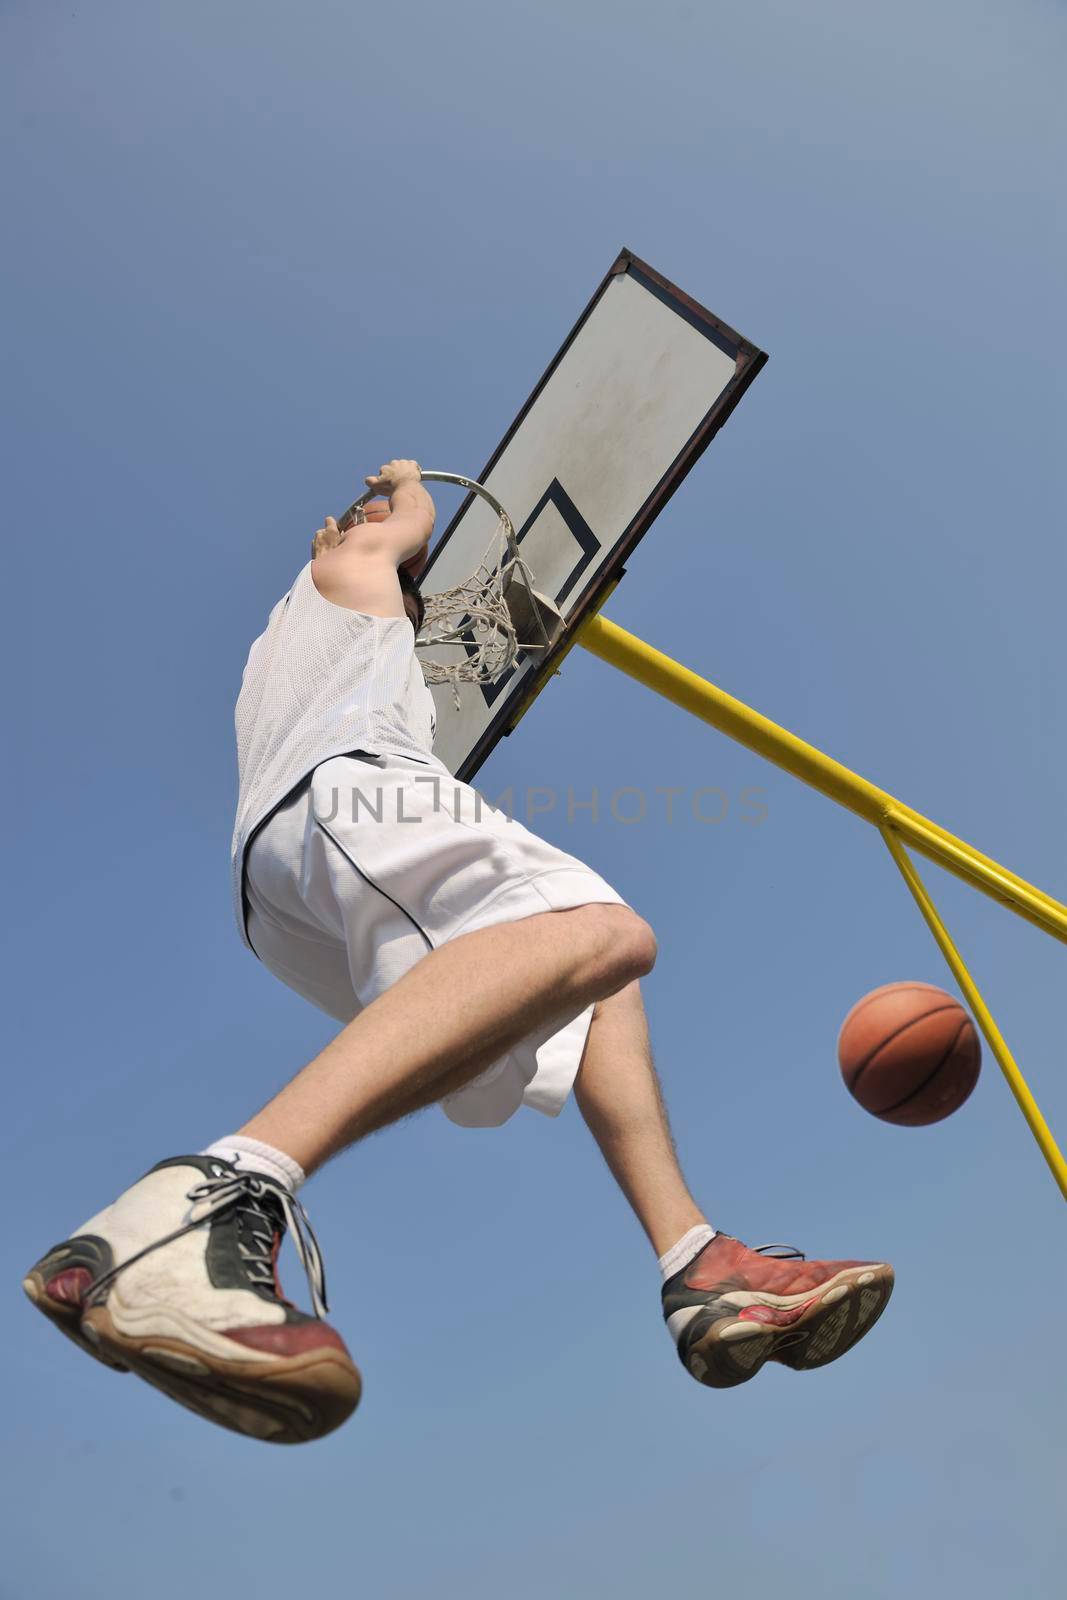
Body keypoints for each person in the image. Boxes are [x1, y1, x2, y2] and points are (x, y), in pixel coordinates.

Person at [24, 460, 894, 1444]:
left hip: (279, 879)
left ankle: (694, 1262)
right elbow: (409, 519)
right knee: (605, 929)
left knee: (582, 975)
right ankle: (206, 1199)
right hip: (350, 790)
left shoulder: (293, 658)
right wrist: (400, 487)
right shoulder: (349, 574)